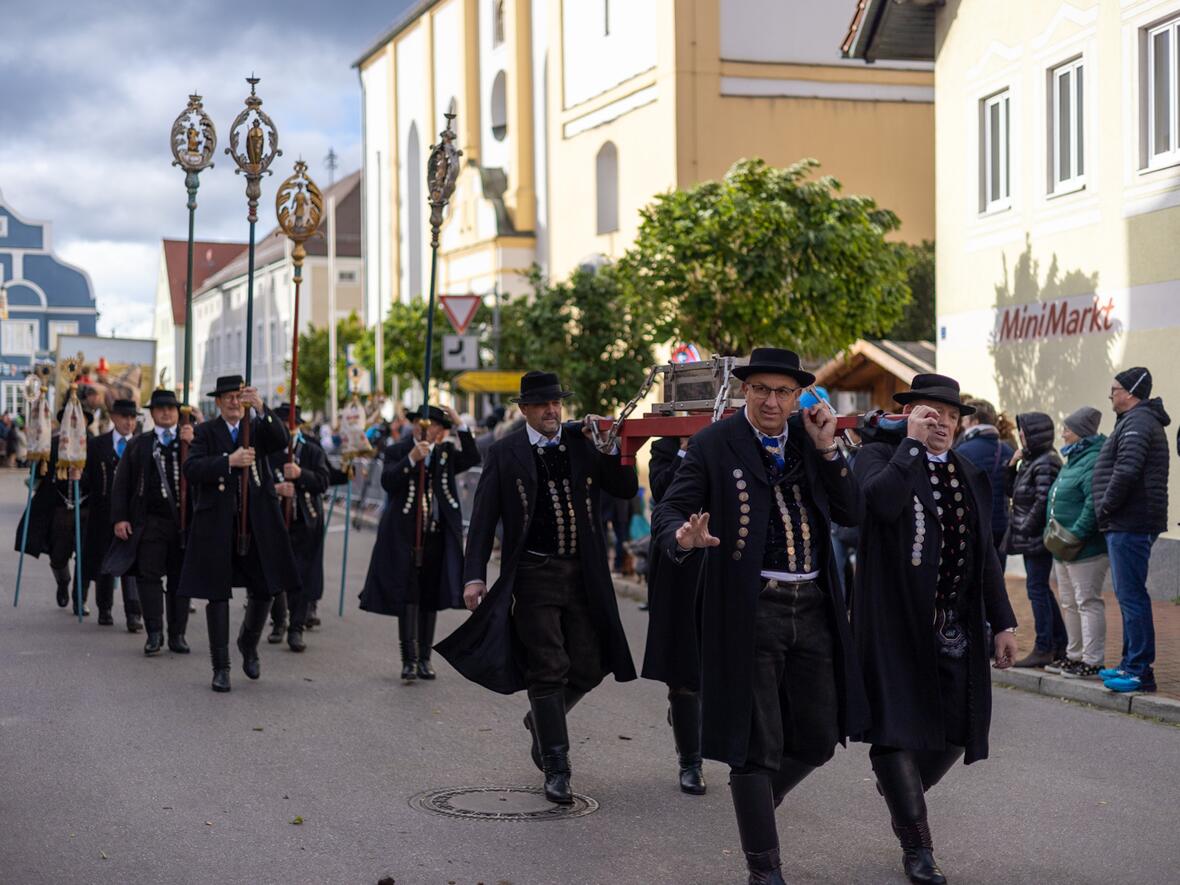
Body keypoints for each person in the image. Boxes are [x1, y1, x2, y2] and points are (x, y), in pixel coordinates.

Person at [652, 348, 868, 885]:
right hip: (751, 608)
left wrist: (828, 451)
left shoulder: (810, 440)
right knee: (756, 742)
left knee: (820, 736)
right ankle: (764, 869)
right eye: (761, 390)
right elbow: (669, 510)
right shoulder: (713, 443)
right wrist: (684, 537)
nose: (772, 401)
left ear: (798, 398)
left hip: (814, 605)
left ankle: (754, 804)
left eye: (783, 392)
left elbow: (852, 512)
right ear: (744, 391)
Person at [437, 371, 638, 806]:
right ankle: (557, 767)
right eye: (543, 405)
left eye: (557, 403)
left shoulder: (583, 441)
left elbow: (624, 489)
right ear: (524, 409)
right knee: (547, 666)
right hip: (533, 575)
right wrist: (474, 577)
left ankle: (541, 720)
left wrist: (610, 448)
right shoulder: (505, 451)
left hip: (583, 574)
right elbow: (485, 516)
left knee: (588, 664)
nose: (552, 411)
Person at [852, 373, 1018, 885]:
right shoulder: (878, 457)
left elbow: (986, 555)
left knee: (958, 730)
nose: (940, 422)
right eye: (929, 412)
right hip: (893, 625)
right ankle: (918, 848)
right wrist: (910, 447)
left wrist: (1003, 621)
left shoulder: (971, 471)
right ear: (908, 416)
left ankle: (902, 791)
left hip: (955, 625)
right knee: (896, 732)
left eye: (948, 415)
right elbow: (879, 504)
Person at [178, 376, 299, 693]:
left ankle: (249, 642)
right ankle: (221, 667)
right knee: (217, 594)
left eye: (238, 397)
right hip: (218, 522)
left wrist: (261, 407)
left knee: (264, 588)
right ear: (218, 402)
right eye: (228, 397)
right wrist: (227, 462)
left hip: (256, 520)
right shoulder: (205, 432)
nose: (233, 402)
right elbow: (192, 469)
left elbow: (281, 438)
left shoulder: (256, 428)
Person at [359, 404, 478, 680]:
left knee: (429, 596)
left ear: (439, 430)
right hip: (405, 535)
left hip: (436, 534)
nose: (426, 429)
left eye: (433, 426)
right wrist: (412, 459)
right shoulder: (398, 450)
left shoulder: (445, 453)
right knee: (408, 594)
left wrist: (460, 423)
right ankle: (409, 658)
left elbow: (472, 456)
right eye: (421, 424)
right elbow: (388, 481)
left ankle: (425, 658)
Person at [1091, 367, 1170, 693]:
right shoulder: (1133, 422)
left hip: (1130, 522)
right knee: (1128, 597)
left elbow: (1126, 471)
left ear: (1131, 392)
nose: (1110, 394)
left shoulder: (1138, 422)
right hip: (1127, 522)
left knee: (1132, 597)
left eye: (1115, 389)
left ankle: (1139, 670)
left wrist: (1106, 507)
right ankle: (1129, 665)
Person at [103, 389, 194, 655]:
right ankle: (155, 633)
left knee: (180, 580)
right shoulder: (140, 444)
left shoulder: (191, 442)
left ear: (178, 413)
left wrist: (196, 441)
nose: (166, 412)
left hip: (184, 523)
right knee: (148, 577)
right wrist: (120, 518)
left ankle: (178, 634)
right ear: (152, 413)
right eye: (160, 408)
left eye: (171, 408)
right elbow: (122, 484)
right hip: (150, 522)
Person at [641, 436, 706, 796]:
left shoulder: (730, 441)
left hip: (720, 560)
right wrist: (686, 446)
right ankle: (690, 761)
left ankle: (690, 722)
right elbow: (664, 490)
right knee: (684, 666)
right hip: (678, 560)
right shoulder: (664, 448)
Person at [1044, 406, 1108, 680]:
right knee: (1069, 602)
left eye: (1067, 429)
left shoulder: (1094, 459)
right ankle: (1074, 655)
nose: (1063, 433)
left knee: (1087, 601)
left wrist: (1077, 535)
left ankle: (1093, 660)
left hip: (1084, 547)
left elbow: (1093, 504)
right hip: (1062, 545)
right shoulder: (1073, 458)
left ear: (1080, 433)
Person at [14, 407, 94, 615]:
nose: (76, 424)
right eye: (72, 419)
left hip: (87, 509)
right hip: (60, 508)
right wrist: (36, 457)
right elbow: (39, 474)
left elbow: (99, 478)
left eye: (81, 420)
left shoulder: (94, 446)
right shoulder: (53, 445)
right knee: (59, 556)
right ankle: (63, 581)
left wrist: (81, 477)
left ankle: (80, 600)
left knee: (85, 557)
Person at [266, 403, 331, 653]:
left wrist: (301, 474)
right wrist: (276, 489)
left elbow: (323, 481)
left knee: (303, 576)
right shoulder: (268, 453)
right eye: (283, 424)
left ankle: (296, 627)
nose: (288, 429)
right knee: (276, 575)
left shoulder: (312, 452)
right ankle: (279, 621)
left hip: (305, 522)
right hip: (275, 523)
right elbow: (257, 484)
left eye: (291, 425)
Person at [1007, 412, 1066, 669]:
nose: (1020, 435)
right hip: (1030, 535)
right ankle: (1058, 642)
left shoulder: (1046, 462)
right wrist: (1012, 464)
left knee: (1037, 590)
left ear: (1035, 433)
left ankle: (1044, 647)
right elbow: (1012, 492)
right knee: (1039, 588)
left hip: (1037, 537)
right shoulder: (1032, 461)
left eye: (1024, 431)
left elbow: (1043, 501)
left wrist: (1025, 526)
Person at [83, 399, 142, 632]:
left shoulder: (140, 444)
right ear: (114, 418)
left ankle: (133, 613)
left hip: (132, 513)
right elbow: (89, 479)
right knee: (104, 562)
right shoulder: (97, 445)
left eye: (132, 418)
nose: (128, 422)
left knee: (131, 564)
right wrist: (79, 475)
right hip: (103, 513)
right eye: (124, 417)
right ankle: (104, 607)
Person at [954, 399, 1016, 563]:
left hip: (973, 524)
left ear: (975, 422)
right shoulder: (1007, 449)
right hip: (1000, 522)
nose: (962, 424)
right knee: (996, 576)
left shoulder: (963, 450)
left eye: (965, 419)